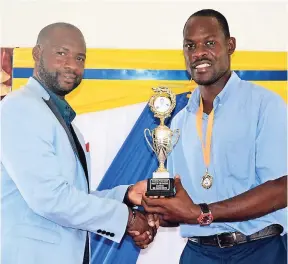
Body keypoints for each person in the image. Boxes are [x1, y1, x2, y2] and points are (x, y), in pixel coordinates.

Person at [1, 22, 156, 264]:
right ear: (36, 54)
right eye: (61, 53)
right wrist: (127, 218)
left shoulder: (63, 120)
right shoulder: (20, 107)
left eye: (80, 58)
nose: (72, 65)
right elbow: (50, 198)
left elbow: (73, 196)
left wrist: (125, 195)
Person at [142, 9, 287, 264]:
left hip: (257, 250)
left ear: (230, 46)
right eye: (190, 46)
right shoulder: (178, 121)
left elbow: (281, 188)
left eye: (209, 43)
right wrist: (156, 214)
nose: (198, 53)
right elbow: (181, 202)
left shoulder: (265, 105)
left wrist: (203, 213)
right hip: (199, 253)